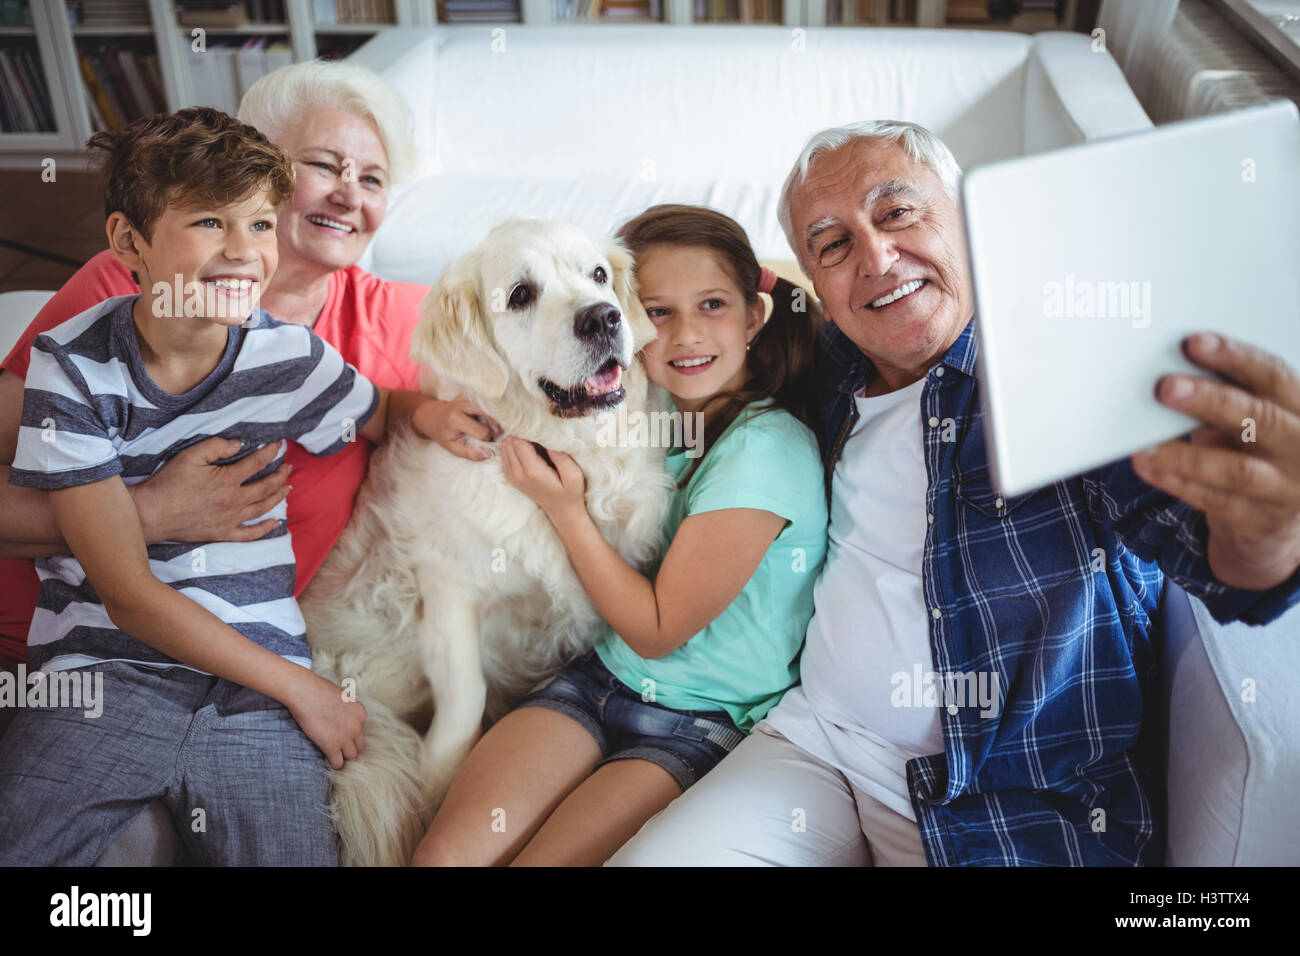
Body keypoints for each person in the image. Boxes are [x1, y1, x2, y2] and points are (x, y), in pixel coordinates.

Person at [607, 121, 1300, 867]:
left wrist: (1272, 535)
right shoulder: (831, 361)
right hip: (815, 743)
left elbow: (1215, 550)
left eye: (899, 212)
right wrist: (474, 400)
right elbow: (715, 301)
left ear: (970, 222)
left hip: (1010, 803)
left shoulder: (1066, 376)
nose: (876, 256)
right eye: (833, 244)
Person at [0, 107, 451, 866]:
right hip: (108, 677)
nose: (244, 253)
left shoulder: (286, 358)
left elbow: (380, 412)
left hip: (255, 704)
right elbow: (127, 591)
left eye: (260, 225)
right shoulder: (72, 366)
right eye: (211, 222)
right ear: (128, 244)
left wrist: (438, 415)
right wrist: (306, 692)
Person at [410, 204, 829, 866]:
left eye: (713, 306)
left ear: (754, 318)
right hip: (595, 679)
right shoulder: (649, 415)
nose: (685, 334)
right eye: (658, 312)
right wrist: (424, 410)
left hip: (696, 718)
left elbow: (657, 629)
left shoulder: (768, 452)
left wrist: (564, 509)